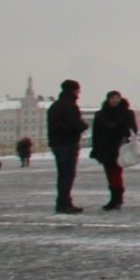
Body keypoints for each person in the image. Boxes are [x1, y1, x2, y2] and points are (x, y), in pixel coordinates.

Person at [88, 91, 138, 211]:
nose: (115, 100)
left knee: (116, 172)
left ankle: (117, 198)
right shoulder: (100, 114)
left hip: (119, 147)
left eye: (117, 98)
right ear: (108, 99)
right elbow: (95, 133)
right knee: (110, 173)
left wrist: (124, 135)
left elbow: (133, 129)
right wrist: (95, 149)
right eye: (113, 98)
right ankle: (115, 197)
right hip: (105, 147)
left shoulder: (127, 113)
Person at [47, 79, 87, 214]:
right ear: (73, 90)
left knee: (63, 174)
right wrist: (83, 126)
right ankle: (64, 203)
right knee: (67, 175)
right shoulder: (70, 106)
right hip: (67, 143)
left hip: (58, 144)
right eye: (78, 89)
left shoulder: (55, 105)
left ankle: (63, 202)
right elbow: (73, 125)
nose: (79, 92)